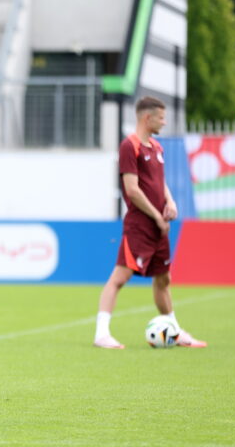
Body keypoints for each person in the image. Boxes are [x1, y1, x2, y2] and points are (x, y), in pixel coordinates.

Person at [93, 96, 206, 349]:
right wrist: (156, 216)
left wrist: (170, 201)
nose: (164, 122)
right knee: (120, 277)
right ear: (147, 118)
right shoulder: (129, 146)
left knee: (163, 280)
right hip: (140, 227)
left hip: (159, 227)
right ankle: (101, 334)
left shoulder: (156, 147)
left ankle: (174, 331)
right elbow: (132, 190)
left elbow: (159, 181)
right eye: (161, 118)